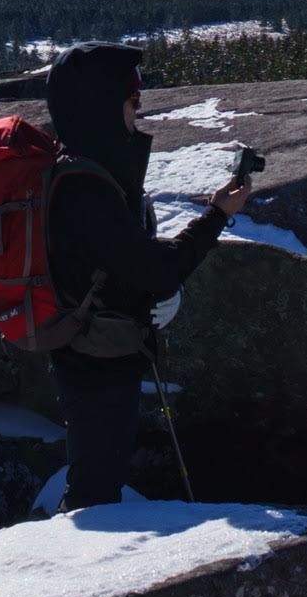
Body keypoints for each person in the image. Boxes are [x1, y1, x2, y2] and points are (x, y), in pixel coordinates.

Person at [36, 44, 252, 510]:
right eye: (132, 103)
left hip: (97, 351)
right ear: (101, 107)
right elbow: (155, 268)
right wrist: (216, 216)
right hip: (95, 361)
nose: (139, 114)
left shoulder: (89, 172)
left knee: (99, 476)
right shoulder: (85, 190)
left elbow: (120, 265)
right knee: (95, 488)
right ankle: (74, 571)